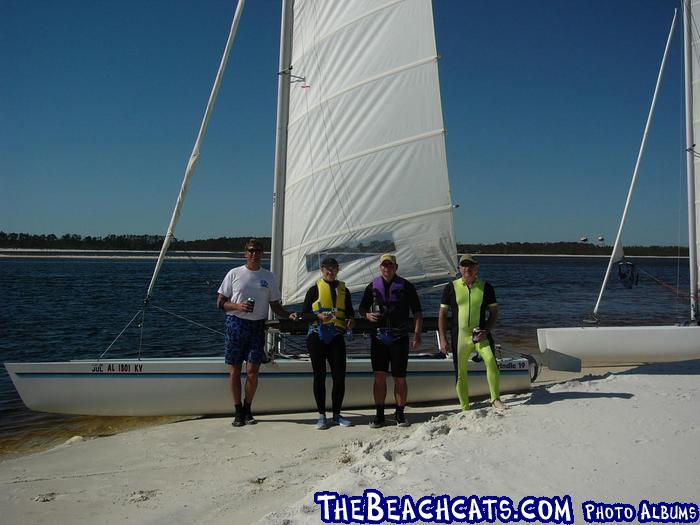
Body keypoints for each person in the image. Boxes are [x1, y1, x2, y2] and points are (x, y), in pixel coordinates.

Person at [216, 238, 295, 427]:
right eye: (250, 250)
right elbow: (220, 302)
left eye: (257, 250)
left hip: (257, 327)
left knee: (252, 371)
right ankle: (237, 411)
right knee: (235, 369)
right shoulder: (234, 273)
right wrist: (238, 306)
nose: (254, 253)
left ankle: (247, 408)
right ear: (245, 253)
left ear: (262, 254)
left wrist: (288, 315)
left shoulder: (268, 276)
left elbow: (275, 305)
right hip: (235, 324)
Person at [359, 253, 422, 428]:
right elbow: (362, 308)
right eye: (384, 265)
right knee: (379, 377)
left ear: (396, 267)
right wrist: (366, 314)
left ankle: (400, 414)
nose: (387, 268)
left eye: (390, 265)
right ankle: (379, 415)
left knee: (399, 378)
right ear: (380, 268)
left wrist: (417, 335)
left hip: (399, 337)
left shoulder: (406, 286)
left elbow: (417, 313)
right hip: (379, 338)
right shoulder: (372, 287)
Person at [438, 254, 505, 411]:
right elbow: (442, 315)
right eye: (464, 265)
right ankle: (465, 407)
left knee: (491, 363)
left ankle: (495, 399)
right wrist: (442, 338)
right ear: (459, 269)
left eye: (470, 265)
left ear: (476, 267)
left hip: (480, 335)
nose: (467, 268)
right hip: (460, 337)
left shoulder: (486, 287)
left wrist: (486, 331)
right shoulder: (450, 287)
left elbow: (494, 313)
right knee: (461, 373)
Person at [300, 257, 357, 430]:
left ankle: (337, 415)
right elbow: (304, 315)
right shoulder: (314, 289)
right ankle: (321, 416)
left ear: (338, 270)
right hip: (317, 337)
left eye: (333, 268)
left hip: (336, 337)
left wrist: (351, 321)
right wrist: (317, 316)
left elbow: (350, 313)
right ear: (322, 270)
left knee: (339, 377)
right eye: (327, 269)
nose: (330, 271)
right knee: (320, 376)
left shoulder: (343, 290)